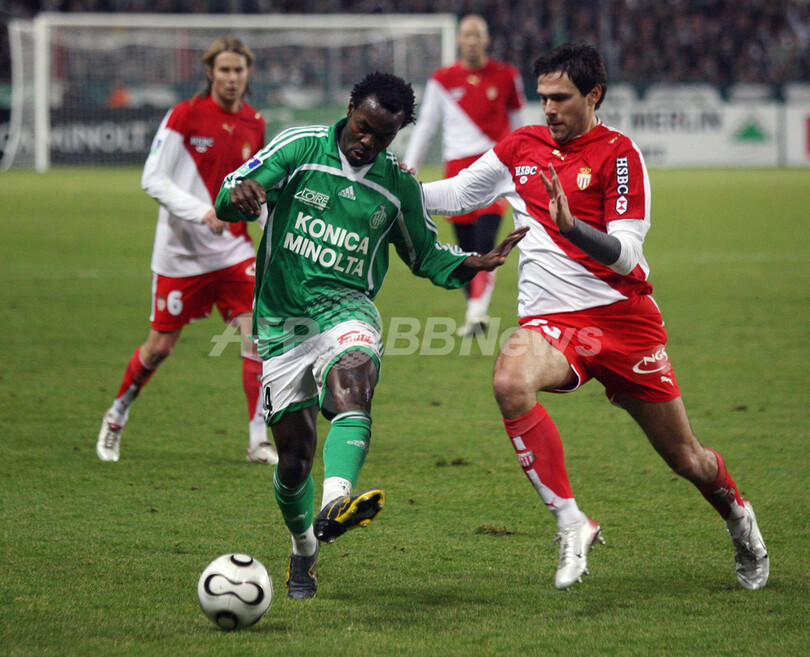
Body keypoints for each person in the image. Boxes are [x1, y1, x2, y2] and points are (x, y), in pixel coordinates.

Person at [422, 42, 769, 591]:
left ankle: (738, 517)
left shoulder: (620, 155)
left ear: (594, 95)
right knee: (510, 380)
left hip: (623, 323)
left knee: (687, 459)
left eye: (561, 98)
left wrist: (572, 228)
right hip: (554, 325)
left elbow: (627, 255)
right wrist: (389, 188)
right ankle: (571, 521)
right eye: (543, 98)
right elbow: (458, 194)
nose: (549, 109)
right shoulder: (521, 147)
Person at [214, 71, 528, 600]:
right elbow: (232, 194)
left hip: (348, 307)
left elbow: (423, 253)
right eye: (363, 127)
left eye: (383, 136)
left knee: (355, 375)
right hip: (282, 321)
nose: (368, 141)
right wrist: (237, 194)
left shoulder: (397, 184)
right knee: (293, 462)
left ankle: (337, 501)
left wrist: (471, 262)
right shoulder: (300, 147)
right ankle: (303, 549)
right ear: (350, 109)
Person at [96, 36, 278, 466]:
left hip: (233, 252)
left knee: (258, 339)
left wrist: (277, 236)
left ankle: (258, 441)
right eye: (224, 70)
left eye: (238, 70)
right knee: (159, 348)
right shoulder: (185, 115)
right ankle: (117, 415)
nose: (231, 78)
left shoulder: (255, 122)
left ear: (248, 74)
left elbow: (258, 192)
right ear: (210, 73)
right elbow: (152, 178)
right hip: (180, 255)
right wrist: (202, 213)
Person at [403, 14, 527, 338]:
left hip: (494, 169)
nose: (472, 40)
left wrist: (526, 162)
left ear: (486, 40)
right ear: (458, 40)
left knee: (486, 241)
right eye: (467, 34)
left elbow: (519, 124)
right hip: (456, 173)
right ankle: (474, 310)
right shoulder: (442, 80)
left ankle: (476, 312)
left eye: (477, 34)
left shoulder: (506, 76)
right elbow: (426, 126)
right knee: (466, 248)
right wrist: (410, 166)